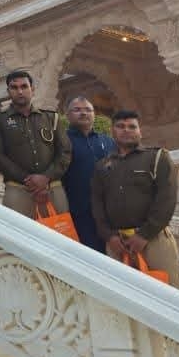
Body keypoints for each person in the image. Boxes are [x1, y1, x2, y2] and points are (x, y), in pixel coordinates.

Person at [91, 110, 179, 289]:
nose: (126, 130)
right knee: (125, 296)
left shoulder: (157, 158)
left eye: (132, 127)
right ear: (112, 131)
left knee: (169, 295)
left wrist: (144, 235)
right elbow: (97, 205)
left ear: (140, 131)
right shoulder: (102, 166)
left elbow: (167, 199)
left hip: (153, 240)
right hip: (117, 244)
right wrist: (109, 236)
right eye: (120, 126)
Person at [0, 70, 71, 218]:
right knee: (18, 236)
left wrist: (46, 178)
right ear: (8, 91)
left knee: (59, 237)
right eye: (14, 87)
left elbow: (65, 152)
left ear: (32, 89)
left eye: (24, 86)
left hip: (52, 187)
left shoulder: (51, 118)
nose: (20, 91)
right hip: (17, 189)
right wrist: (30, 181)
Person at [64, 96, 115, 253]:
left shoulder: (107, 141)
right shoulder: (62, 141)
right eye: (77, 110)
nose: (83, 113)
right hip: (79, 212)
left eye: (88, 110)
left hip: (110, 212)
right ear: (67, 115)